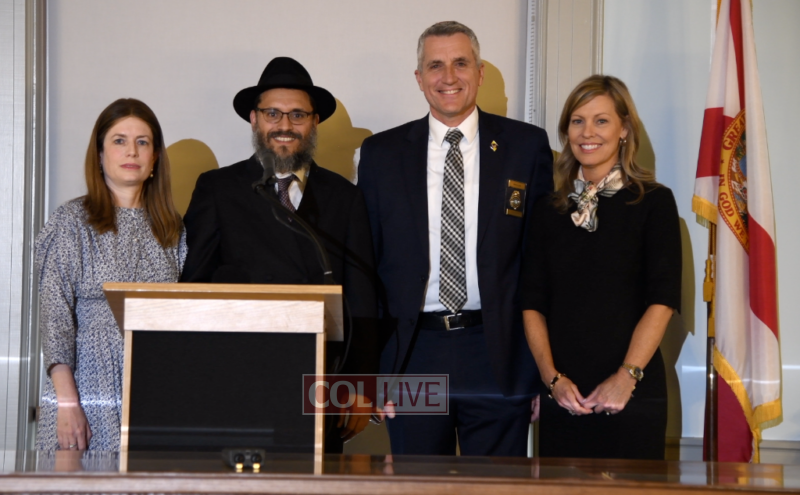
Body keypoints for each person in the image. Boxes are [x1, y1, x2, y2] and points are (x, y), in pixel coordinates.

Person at [357, 21, 553, 456]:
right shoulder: (381, 154)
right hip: (414, 356)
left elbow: (540, 263)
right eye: (435, 65)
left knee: (497, 485)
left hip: (498, 353)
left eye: (460, 63)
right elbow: (368, 267)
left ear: (480, 73)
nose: (448, 77)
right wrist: (374, 371)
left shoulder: (526, 146)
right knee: (419, 482)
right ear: (419, 78)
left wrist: (540, 369)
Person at [180, 57, 377, 451]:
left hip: (319, 383)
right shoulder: (218, 189)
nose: (284, 125)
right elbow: (194, 288)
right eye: (273, 113)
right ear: (254, 119)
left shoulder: (345, 197)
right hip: (237, 380)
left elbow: (362, 300)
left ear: (314, 122)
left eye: (297, 115)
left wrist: (359, 386)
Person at [521, 75, 681, 459]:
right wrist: (552, 380)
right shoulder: (547, 209)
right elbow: (531, 303)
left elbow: (662, 301)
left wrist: (626, 377)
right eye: (577, 121)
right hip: (564, 394)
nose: (587, 132)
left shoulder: (654, 202)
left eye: (601, 120)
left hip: (631, 393)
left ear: (624, 129)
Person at [35, 98, 186, 451]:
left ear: (155, 157)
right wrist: (68, 404)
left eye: (142, 142)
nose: (131, 150)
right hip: (86, 389)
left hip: (156, 387)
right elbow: (55, 318)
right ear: (100, 154)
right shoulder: (71, 221)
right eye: (119, 140)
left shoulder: (173, 229)